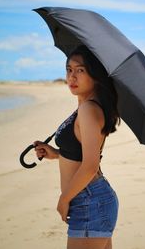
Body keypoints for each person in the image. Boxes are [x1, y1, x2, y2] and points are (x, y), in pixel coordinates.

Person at [34, 45, 120, 249]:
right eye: (69, 69)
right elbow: (81, 154)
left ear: (96, 75)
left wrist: (64, 200)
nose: (72, 76)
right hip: (91, 199)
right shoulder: (86, 105)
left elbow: (90, 165)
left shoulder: (89, 109)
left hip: (88, 200)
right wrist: (56, 154)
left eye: (80, 70)